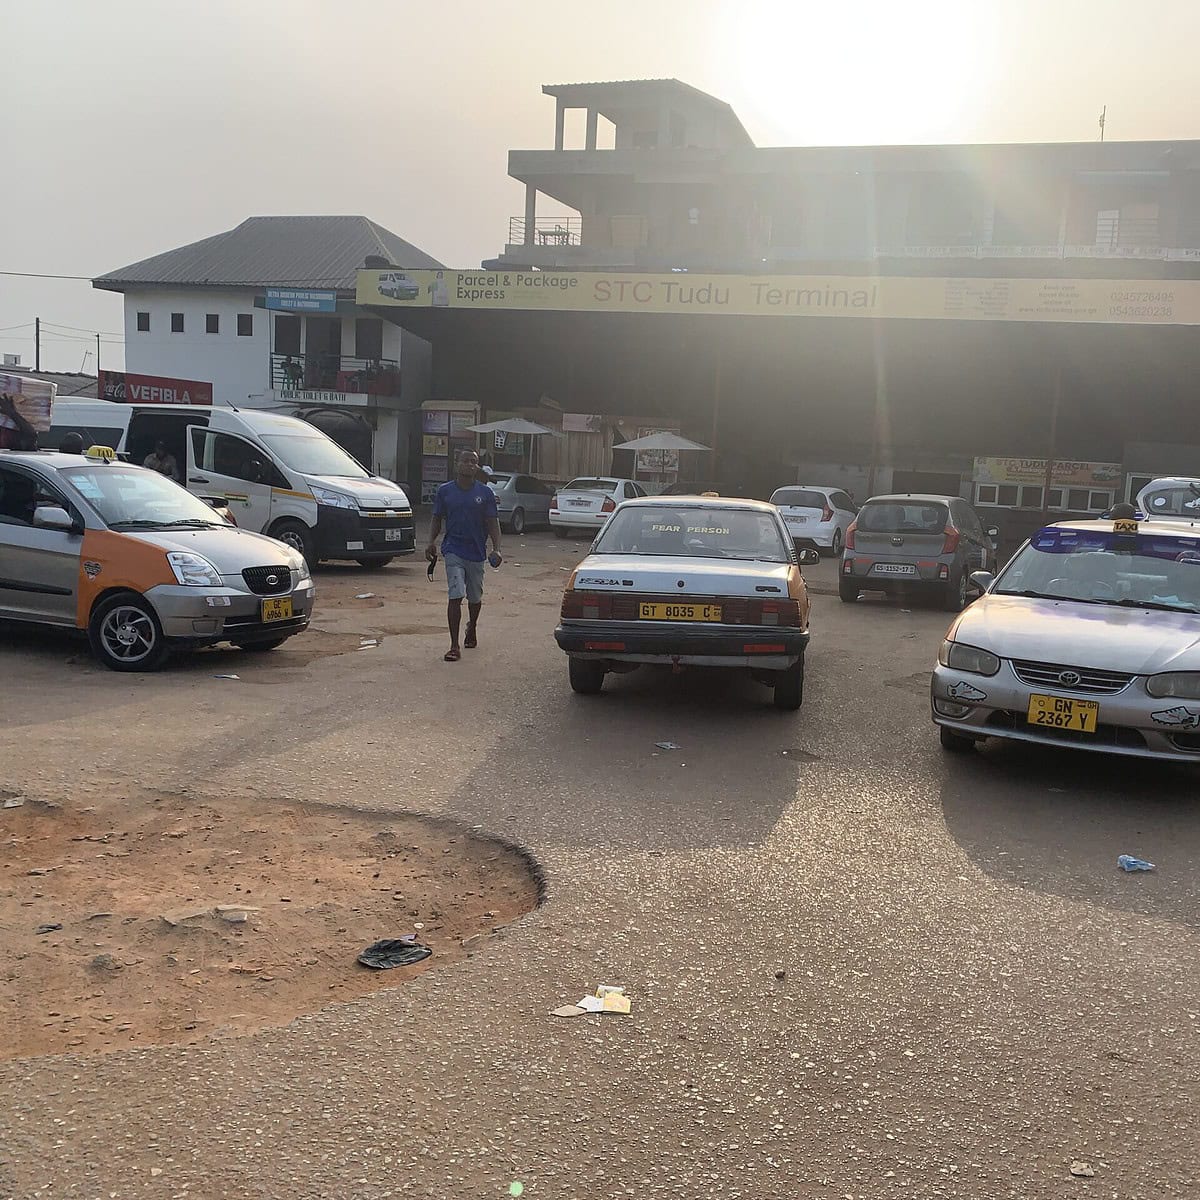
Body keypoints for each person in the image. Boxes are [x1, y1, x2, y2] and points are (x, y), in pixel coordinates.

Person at [426, 447, 502, 662]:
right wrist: (430, 542)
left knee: (475, 598)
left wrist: (496, 548)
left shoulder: (485, 493)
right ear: (457, 464)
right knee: (456, 594)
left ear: (477, 467)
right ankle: (453, 645)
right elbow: (436, 518)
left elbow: (493, 524)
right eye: (466, 461)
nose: (470, 464)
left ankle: (472, 626)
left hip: (476, 552)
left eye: (474, 462)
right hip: (453, 549)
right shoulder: (445, 491)